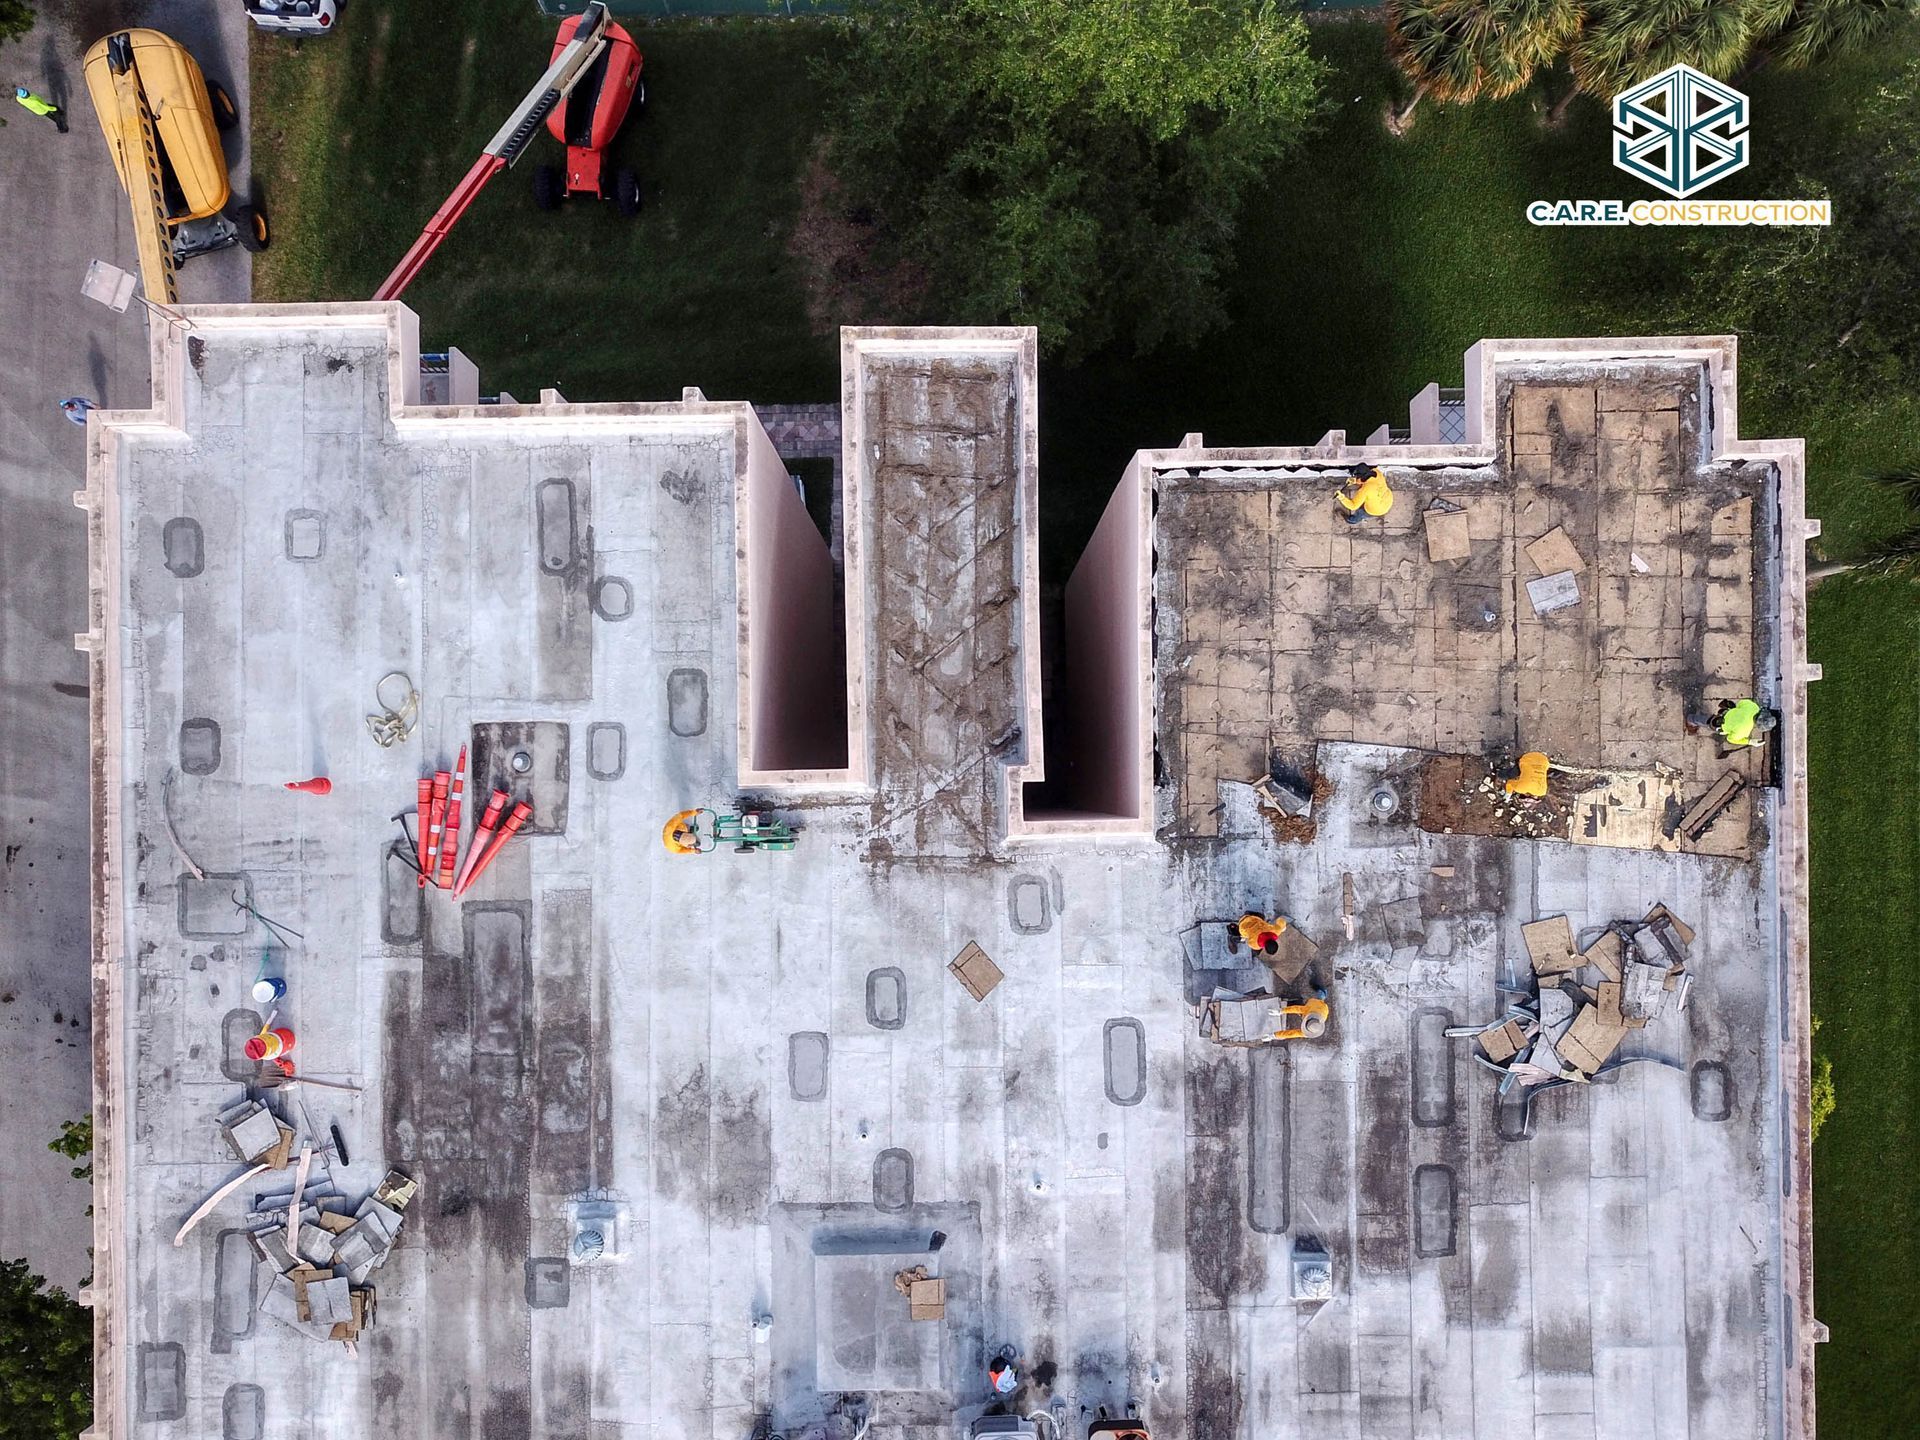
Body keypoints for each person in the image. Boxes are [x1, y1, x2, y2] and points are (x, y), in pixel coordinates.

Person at [1689, 697, 1776, 749]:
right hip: (1720, 724)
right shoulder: (1744, 731)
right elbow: (1730, 739)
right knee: (1706, 722)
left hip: (1725, 712)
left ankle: (1695, 718)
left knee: (1714, 716)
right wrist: (1749, 741)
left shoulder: (1754, 707)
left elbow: (1741, 703)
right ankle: (1690, 720)